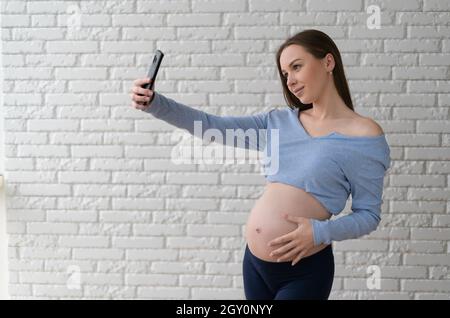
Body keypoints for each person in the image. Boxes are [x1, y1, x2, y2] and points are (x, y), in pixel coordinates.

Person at [129, 29, 391, 300]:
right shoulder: (278, 123)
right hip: (254, 264)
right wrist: (155, 104)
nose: (290, 81)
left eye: (296, 67)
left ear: (328, 62)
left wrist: (320, 231)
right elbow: (211, 126)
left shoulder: (364, 136)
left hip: (304, 270)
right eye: (285, 74)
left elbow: (368, 215)